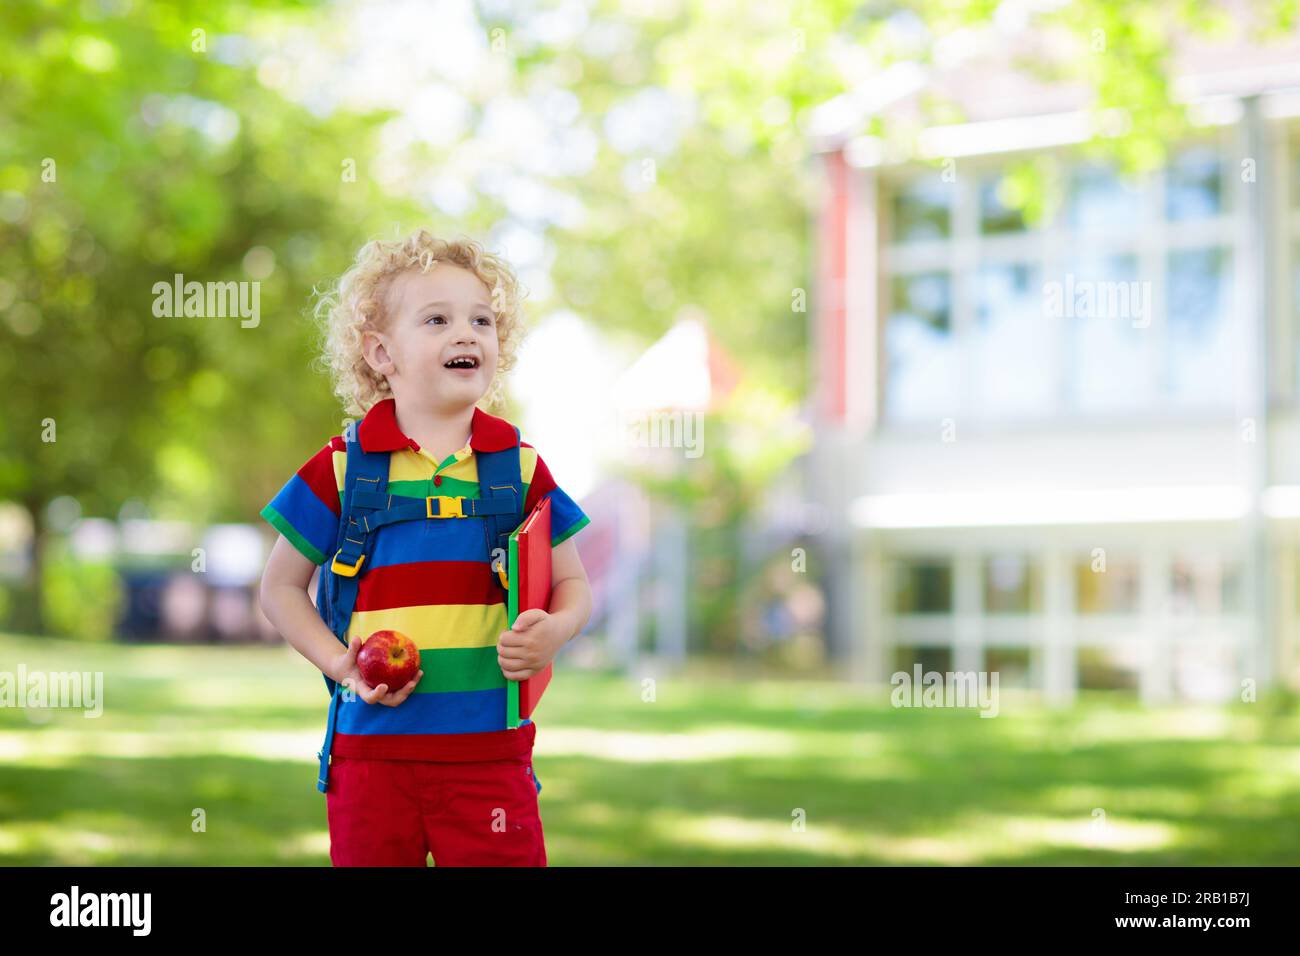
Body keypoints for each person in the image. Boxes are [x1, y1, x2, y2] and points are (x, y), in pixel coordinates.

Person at [258, 230, 592, 866]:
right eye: (437, 319)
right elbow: (278, 588)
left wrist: (557, 629)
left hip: (490, 757)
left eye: (482, 320)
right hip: (371, 758)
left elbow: (574, 585)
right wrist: (341, 664)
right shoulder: (341, 468)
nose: (466, 334)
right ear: (382, 352)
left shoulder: (518, 468)